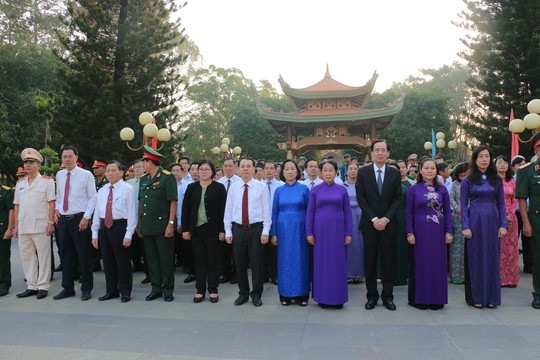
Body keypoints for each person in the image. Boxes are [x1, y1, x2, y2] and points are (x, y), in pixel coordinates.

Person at [356, 139, 402, 311]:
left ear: (388, 153)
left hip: (389, 225)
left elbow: (398, 198)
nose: (380, 153)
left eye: (383, 150)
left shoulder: (394, 173)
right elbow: (362, 198)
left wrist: (386, 219)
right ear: (372, 153)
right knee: (370, 262)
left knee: (389, 262)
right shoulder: (363, 172)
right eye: (377, 150)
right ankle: (371, 296)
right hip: (369, 225)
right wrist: (375, 219)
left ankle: (388, 297)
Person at [461, 145, 507, 309]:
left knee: (492, 259)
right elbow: (463, 204)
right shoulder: (468, 180)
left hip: (493, 222)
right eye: (481, 156)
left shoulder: (496, 179)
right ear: (475, 159)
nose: (484, 159)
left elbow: (501, 204)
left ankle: (492, 297)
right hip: (474, 222)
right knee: (476, 259)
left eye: (487, 156)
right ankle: (477, 297)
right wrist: (465, 226)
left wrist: (503, 224)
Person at [405, 158, 453, 310]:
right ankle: (420, 299)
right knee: (421, 264)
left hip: (438, 232)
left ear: (436, 171)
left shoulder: (442, 189)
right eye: (426, 168)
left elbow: (447, 212)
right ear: (420, 170)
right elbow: (408, 213)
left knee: (437, 264)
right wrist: (410, 233)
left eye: (432, 168)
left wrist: (449, 232)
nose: (430, 170)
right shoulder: (414, 189)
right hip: (420, 231)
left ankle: (437, 299)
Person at [224, 157, 271, 307]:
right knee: (239, 263)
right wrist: (228, 231)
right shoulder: (234, 188)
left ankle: (256, 294)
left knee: (257, 264)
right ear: (238, 169)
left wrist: (265, 231)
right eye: (242, 166)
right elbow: (228, 210)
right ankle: (243, 293)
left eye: (248, 166)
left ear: (254, 168)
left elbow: (267, 212)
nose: (245, 169)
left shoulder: (261, 187)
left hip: (256, 230)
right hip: (238, 230)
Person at [53, 146, 97, 301]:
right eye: (64, 157)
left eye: (70, 156)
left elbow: (93, 197)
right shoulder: (59, 174)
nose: (67, 159)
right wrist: (57, 209)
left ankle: (86, 288)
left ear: (76, 157)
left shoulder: (86, 175)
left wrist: (86, 217)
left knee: (83, 255)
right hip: (63, 220)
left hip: (80, 220)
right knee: (65, 256)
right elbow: (59, 195)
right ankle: (67, 288)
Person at [306, 160, 352, 309]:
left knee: (337, 262)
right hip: (320, 231)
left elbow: (348, 213)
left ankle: (337, 297)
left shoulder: (342, 190)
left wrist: (348, 232)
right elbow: (310, 212)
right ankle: (322, 297)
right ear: (320, 172)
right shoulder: (315, 190)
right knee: (321, 263)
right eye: (325, 170)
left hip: (338, 230)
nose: (327, 173)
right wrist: (309, 232)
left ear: (336, 172)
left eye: (331, 170)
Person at [182, 160, 227, 304]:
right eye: (201, 169)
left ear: (212, 171)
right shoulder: (191, 188)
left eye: (207, 169)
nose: (203, 171)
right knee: (199, 259)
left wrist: (223, 229)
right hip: (196, 229)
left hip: (213, 230)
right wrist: (185, 229)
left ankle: (213, 289)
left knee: (213, 259)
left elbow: (223, 211)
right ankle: (200, 289)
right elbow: (186, 210)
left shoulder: (219, 188)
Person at [13, 149, 55, 300]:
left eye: (31, 163)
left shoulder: (46, 181)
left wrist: (51, 222)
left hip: (41, 224)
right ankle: (32, 285)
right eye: (26, 162)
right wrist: (16, 226)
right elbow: (17, 205)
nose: (28, 165)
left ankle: (43, 286)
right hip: (24, 225)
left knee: (43, 256)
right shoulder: (20, 185)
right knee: (27, 256)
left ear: (38, 165)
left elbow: (51, 203)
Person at [138, 145, 178, 302]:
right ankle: (156, 288)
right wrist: (139, 222)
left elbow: (173, 201)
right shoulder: (144, 179)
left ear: (151, 161)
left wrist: (171, 223)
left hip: (163, 226)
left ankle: (168, 289)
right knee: (151, 259)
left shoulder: (167, 177)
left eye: (144, 161)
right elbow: (141, 202)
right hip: (148, 226)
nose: (142, 165)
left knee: (165, 259)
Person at [270, 159, 310, 306]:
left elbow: (310, 211)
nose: (289, 171)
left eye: (292, 168)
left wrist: (309, 231)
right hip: (283, 229)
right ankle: (285, 294)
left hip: (300, 228)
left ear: (297, 171)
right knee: (284, 260)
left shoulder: (304, 189)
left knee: (301, 259)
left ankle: (302, 294)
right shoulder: (279, 190)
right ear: (282, 172)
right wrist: (273, 233)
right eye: (286, 169)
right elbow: (274, 212)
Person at [515, 133, 540, 309]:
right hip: (536, 219)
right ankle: (538, 294)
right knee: (538, 258)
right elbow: (522, 199)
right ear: (536, 151)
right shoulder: (526, 171)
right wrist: (526, 223)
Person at [495, 155, 519, 288]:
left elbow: (516, 198)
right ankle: (498, 278)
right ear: (495, 165)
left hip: (511, 219)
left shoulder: (513, 181)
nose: (502, 165)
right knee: (498, 248)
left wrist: (509, 215)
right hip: (495, 218)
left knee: (511, 249)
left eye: (505, 162)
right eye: (499, 163)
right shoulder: (492, 181)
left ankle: (511, 279)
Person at [216, 158, 242, 284]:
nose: (228, 168)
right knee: (223, 250)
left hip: (237, 220)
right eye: (225, 166)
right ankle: (225, 273)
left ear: (235, 168)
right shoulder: (218, 183)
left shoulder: (240, 182)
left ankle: (237, 274)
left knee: (237, 250)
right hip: (222, 220)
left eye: (230, 166)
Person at [173, 163, 195, 283]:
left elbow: (185, 207)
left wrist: (182, 222)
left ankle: (189, 268)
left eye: (177, 170)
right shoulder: (169, 185)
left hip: (183, 219)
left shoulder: (188, 185)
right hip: (171, 219)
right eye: (173, 171)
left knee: (187, 246)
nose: (175, 173)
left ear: (182, 172)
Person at [126, 159, 148, 281]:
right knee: (132, 245)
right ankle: (137, 265)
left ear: (144, 168)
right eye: (135, 167)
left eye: (140, 167)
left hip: (144, 217)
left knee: (144, 247)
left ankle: (148, 272)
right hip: (131, 216)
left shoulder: (148, 181)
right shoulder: (129, 183)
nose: (137, 169)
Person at [262, 161, 283, 285]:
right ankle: (264, 274)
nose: (269, 171)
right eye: (267, 169)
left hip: (276, 220)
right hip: (262, 221)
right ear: (263, 171)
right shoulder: (259, 185)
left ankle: (274, 275)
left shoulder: (281, 186)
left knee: (274, 250)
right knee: (262, 250)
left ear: (276, 171)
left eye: (271, 168)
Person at [388, 162, 409, 286]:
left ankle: (401, 276)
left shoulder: (405, 189)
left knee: (401, 248)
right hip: (386, 220)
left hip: (401, 220)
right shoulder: (382, 188)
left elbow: (408, 207)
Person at [343, 161, 364, 284]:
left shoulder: (362, 185)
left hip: (360, 216)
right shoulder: (342, 186)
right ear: (346, 171)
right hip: (347, 215)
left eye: (355, 169)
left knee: (359, 245)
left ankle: (359, 273)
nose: (352, 171)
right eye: (350, 169)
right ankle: (347, 273)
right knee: (348, 244)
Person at [448, 162, 469, 284]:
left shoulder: (473, 183)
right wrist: (457, 208)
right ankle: (456, 276)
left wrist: (467, 209)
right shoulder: (455, 184)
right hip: (457, 217)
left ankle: (468, 276)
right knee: (456, 247)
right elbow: (451, 198)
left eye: (466, 175)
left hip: (470, 216)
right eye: (461, 176)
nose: (463, 178)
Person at [511, 155, 532, 274]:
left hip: (529, 212)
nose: (522, 167)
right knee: (513, 240)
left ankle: (529, 265)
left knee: (528, 240)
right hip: (515, 213)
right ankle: (512, 266)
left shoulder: (529, 177)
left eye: (524, 164)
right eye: (519, 165)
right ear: (513, 168)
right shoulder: (511, 180)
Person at [0, 171, 14, 297]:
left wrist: (10, 229)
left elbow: (11, 211)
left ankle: (4, 283)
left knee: (3, 258)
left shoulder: (6, 191)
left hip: (2, 230)